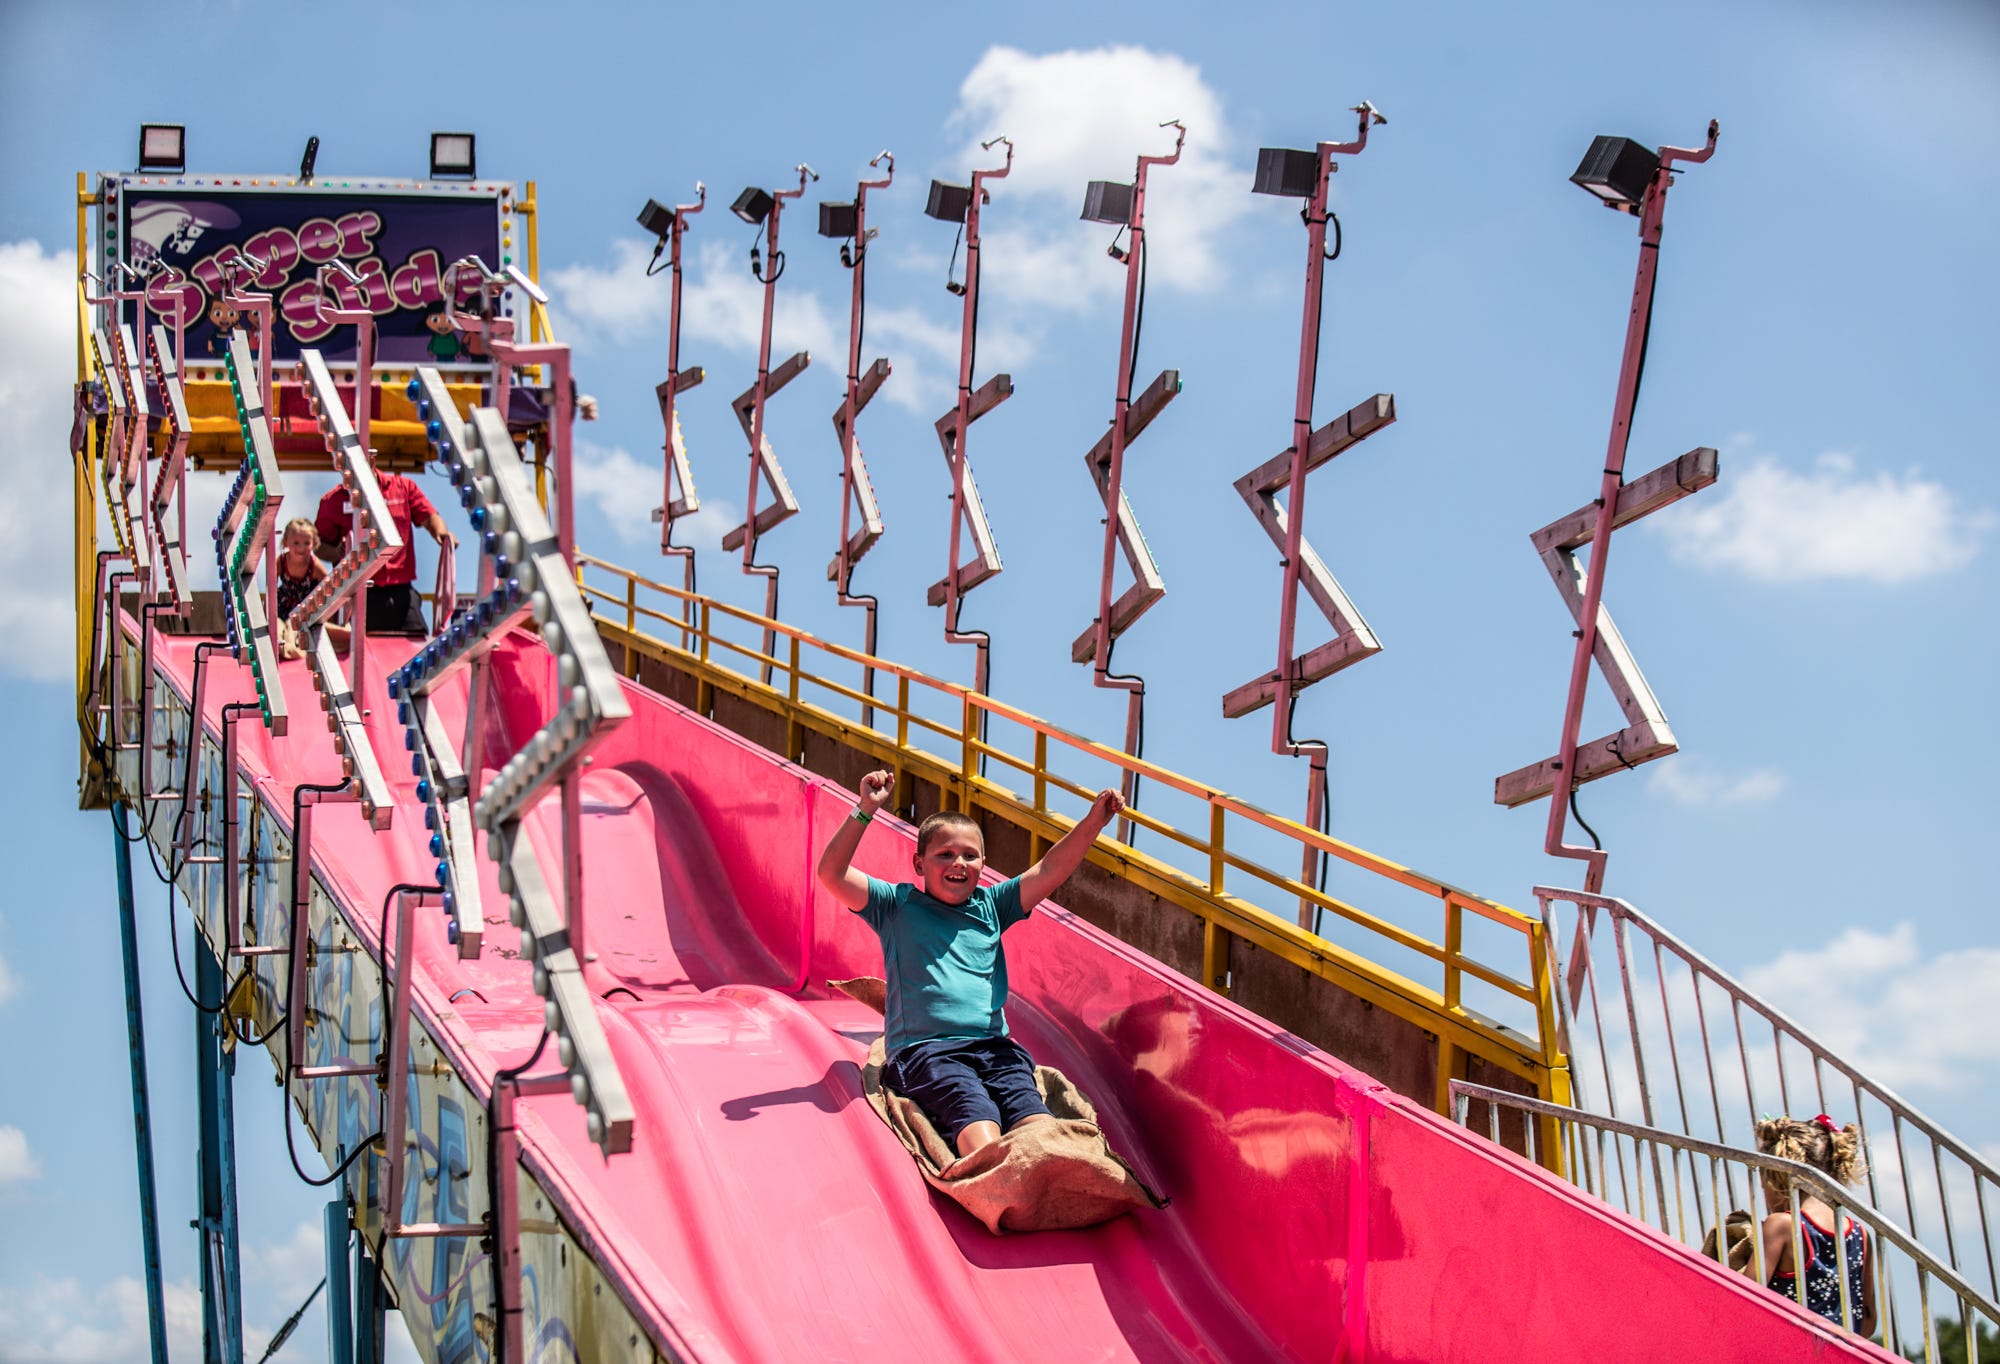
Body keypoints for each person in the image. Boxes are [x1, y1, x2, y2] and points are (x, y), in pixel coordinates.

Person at [816, 771, 1126, 1160]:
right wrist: (865, 810)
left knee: (1037, 1127)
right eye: (944, 854)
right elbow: (832, 874)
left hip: (996, 1050)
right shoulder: (896, 906)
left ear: (983, 863)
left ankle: (1044, 1174)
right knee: (976, 1118)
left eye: (969, 855)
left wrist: (1094, 821)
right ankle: (990, 1173)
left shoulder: (992, 907)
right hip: (926, 1052)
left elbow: (1050, 869)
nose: (958, 862)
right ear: (919, 863)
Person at [1744, 1114, 1876, 1336]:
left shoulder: (1783, 1225)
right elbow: (1868, 1319)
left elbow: (1743, 1296)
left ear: (1777, 1174)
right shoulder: (1860, 1234)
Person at [315, 471, 456, 637]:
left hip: (402, 592)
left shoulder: (402, 487)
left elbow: (429, 516)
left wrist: (442, 532)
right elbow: (319, 545)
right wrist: (336, 552)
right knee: (358, 653)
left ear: (372, 458)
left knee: (417, 647)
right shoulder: (332, 501)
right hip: (358, 593)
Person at [272, 517, 326, 660]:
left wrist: (323, 611)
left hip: (304, 608)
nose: (301, 548)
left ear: (314, 543)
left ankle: (291, 649)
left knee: (293, 624)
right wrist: (267, 610)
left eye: (306, 543)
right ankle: (279, 646)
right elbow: (270, 586)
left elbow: (329, 586)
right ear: (286, 543)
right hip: (282, 605)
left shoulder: (314, 564)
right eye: (296, 543)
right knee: (276, 625)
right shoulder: (281, 561)